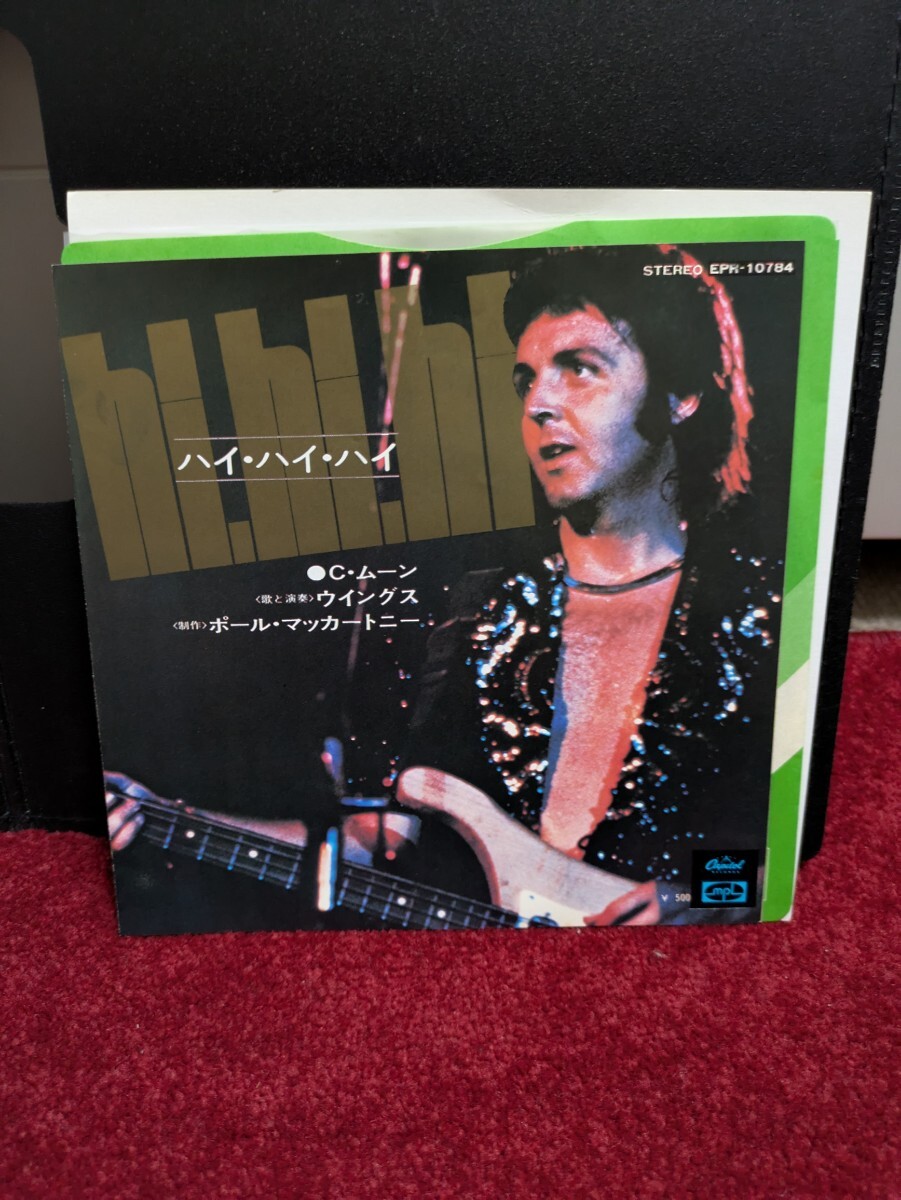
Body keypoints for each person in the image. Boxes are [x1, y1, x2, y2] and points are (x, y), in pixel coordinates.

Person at [108, 244, 780, 926]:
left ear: (679, 394)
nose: (540, 403)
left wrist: (692, 894)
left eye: (579, 369)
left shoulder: (766, 610)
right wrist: (166, 819)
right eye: (526, 380)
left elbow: (796, 859)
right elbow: (381, 844)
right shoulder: (483, 609)